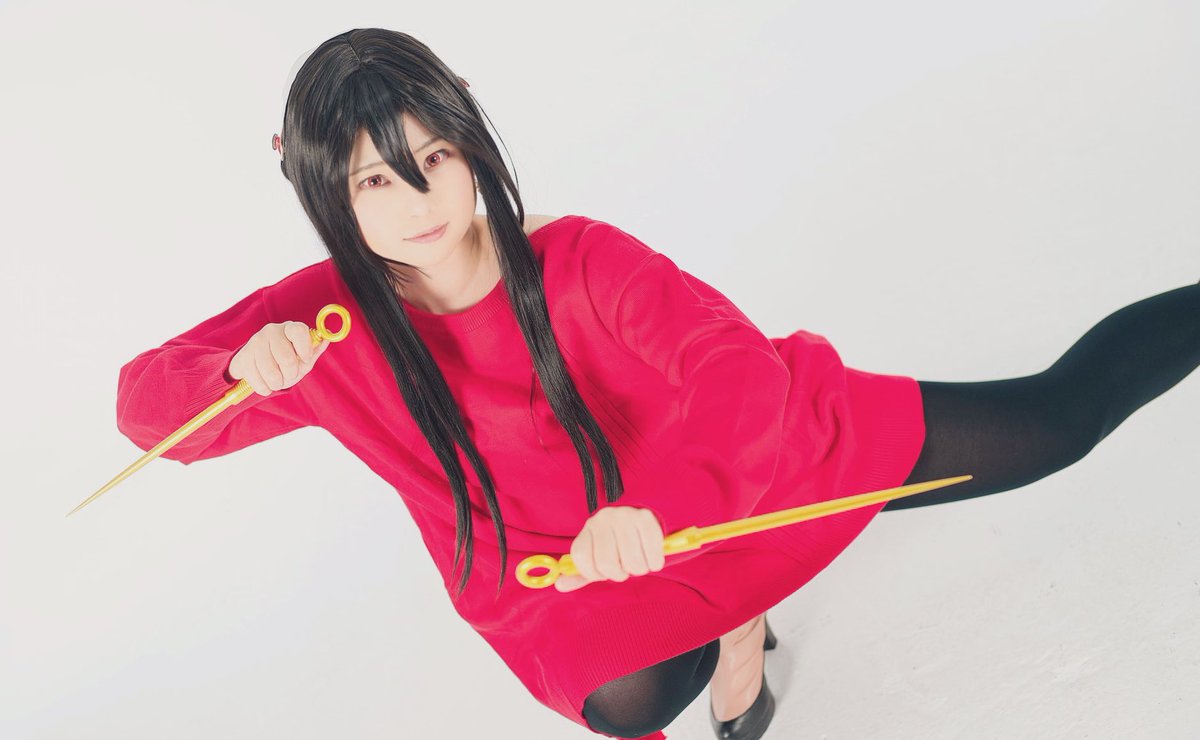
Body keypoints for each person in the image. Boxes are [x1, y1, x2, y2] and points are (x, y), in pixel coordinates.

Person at [113, 28, 1200, 740]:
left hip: (730, 471)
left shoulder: (579, 257)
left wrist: (666, 509)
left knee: (1057, 420)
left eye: (433, 158)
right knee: (630, 695)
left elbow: (735, 372)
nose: (416, 201)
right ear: (323, 188)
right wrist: (230, 367)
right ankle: (736, 624)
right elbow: (148, 412)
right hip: (556, 565)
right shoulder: (323, 319)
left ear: (469, 138)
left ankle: (739, 604)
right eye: (372, 180)